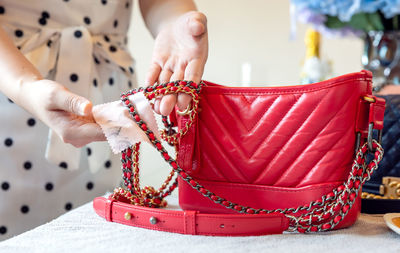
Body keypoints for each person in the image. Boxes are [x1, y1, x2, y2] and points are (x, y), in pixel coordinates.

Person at [0, 0, 208, 240]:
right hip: (12, 93)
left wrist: (174, 22)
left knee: (103, 232)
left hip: (108, 99)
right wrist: (26, 87)